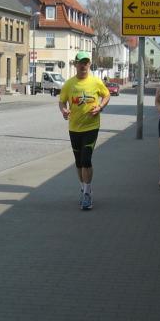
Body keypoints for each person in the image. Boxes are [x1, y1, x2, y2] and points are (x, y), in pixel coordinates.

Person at [59, 51, 110, 210]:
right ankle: (83, 187)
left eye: (86, 63)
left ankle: (87, 193)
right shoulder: (69, 84)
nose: (84, 66)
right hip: (74, 127)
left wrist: (100, 107)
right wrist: (64, 110)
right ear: (76, 64)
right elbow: (61, 102)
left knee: (86, 159)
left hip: (91, 127)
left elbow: (106, 95)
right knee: (79, 162)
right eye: (81, 63)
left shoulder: (96, 82)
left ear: (89, 65)